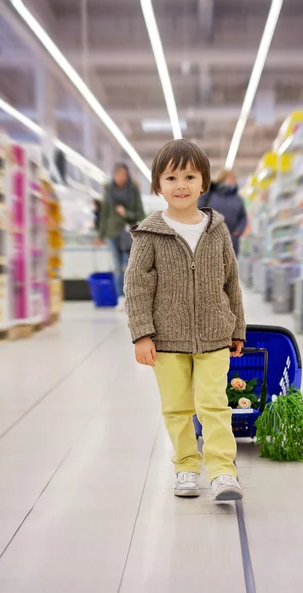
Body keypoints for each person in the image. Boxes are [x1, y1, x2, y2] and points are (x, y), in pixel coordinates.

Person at [124, 139, 246, 502]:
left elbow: (231, 282)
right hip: (167, 339)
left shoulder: (217, 229)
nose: (181, 185)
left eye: (189, 176)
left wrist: (236, 328)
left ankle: (223, 471)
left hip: (214, 335)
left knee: (214, 404)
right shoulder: (149, 233)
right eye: (171, 177)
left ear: (204, 183)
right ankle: (186, 468)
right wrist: (142, 334)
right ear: (158, 185)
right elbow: (136, 286)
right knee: (177, 407)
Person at [97, 163, 145, 309]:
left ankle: (129, 296)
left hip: (128, 233)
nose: (121, 178)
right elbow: (104, 214)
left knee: (128, 266)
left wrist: (126, 214)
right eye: (119, 174)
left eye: (124, 174)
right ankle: (120, 296)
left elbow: (140, 214)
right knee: (117, 266)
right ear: (114, 175)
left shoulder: (133, 191)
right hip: (112, 233)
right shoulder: (109, 191)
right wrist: (101, 234)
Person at [198, 168, 247, 256]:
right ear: (222, 178)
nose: (233, 180)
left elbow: (243, 217)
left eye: (234, 178)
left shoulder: (237, 199)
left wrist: (237, 232)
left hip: (231, 239)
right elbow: (199, 210)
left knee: (229, 267)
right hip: (211, 237)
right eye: (230, 178)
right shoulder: (209, 194)